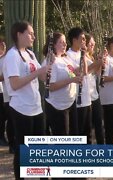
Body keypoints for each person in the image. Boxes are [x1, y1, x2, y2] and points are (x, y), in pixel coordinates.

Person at [2, 21, 49, 179]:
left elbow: (42, 77)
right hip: (21, 108)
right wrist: (37, 73)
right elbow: (14, 84)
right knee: (23, 149)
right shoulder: (12, 56)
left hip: (36, 106)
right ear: (19, 34)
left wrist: (49, 65)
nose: (33, 36)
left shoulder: (30, 54)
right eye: (30, 33)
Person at [43, 32, 81, 136]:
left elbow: (80, 71)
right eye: (61, 42)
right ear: (54, 44)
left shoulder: (65, 58)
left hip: (70, 102)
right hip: (57, 106)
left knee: (74, 136)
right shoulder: (51, 61)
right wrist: (72, 80)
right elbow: (51, 86)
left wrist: (84, 56)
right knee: (62, 138)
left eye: (65, 42)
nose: (65, 44)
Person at [66, 27, 92, 143]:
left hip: (86, 97)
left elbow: (85, 71)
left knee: (87, 133)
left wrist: (84, 54)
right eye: (81, 39)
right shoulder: (67, 55)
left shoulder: (83, 54)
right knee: (77, 132)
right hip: (75, 98)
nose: (84, 41)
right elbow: (71, 73)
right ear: (74, 40)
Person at [85, 34, 105, 144]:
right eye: (91, 43)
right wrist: (96, 63)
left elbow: (96, 73)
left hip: (94, 94)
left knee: (99, 123)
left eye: (94, 43)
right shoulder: (82, 56)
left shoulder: (91, 57)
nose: (93, 45)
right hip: (86, 95)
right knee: (88, 125)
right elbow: (84, 71)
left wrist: (100, 63)